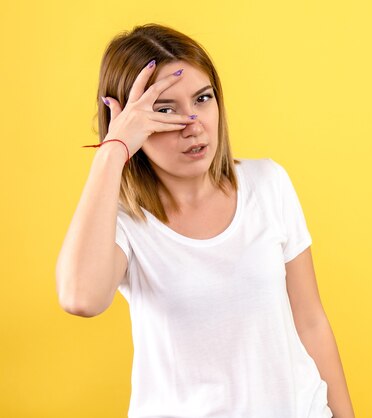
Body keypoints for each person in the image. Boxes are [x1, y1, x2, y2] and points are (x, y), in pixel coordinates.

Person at [55, 23, 355, 418]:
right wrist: (112, 151)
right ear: (130, 123)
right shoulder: (124, 225)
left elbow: (311, 320)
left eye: (202, 98)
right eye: (164, 109)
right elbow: (81, 298)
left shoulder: (268, 184)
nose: (192, 123)